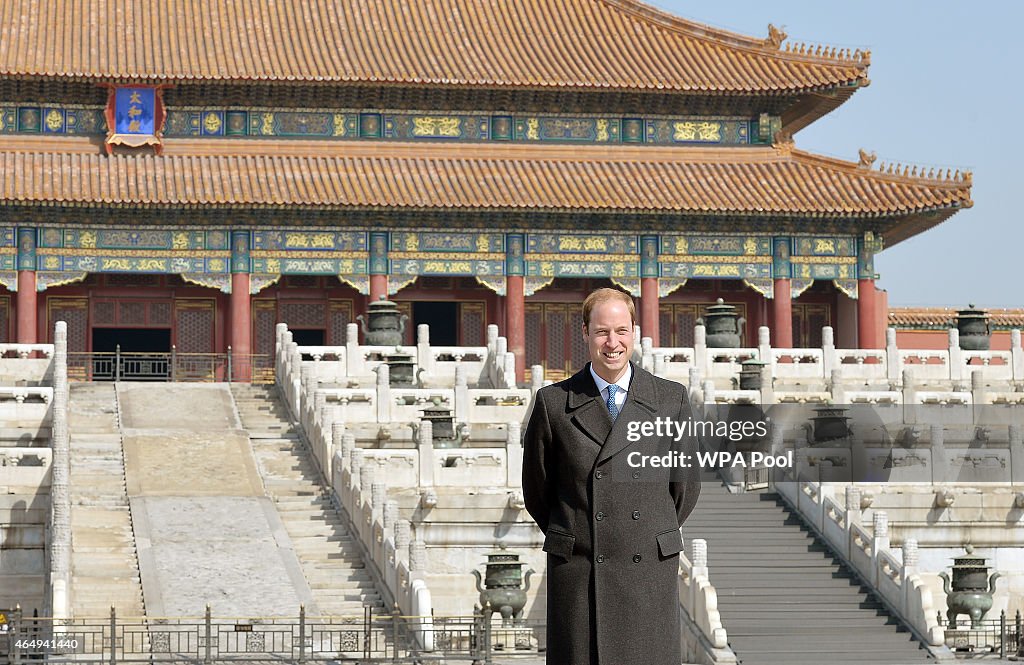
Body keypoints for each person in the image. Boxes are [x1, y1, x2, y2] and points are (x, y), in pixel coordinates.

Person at [523, 287, 700, 665]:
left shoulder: (671, 399)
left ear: (635, 332)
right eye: (602, 331)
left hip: (647, 570)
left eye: (621, 331)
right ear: (585, 333)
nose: (612, 342)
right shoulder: (554, 403)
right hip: (581, 570)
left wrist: (644, 528)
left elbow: (684, 488)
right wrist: (578, 531)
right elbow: (538, 493)